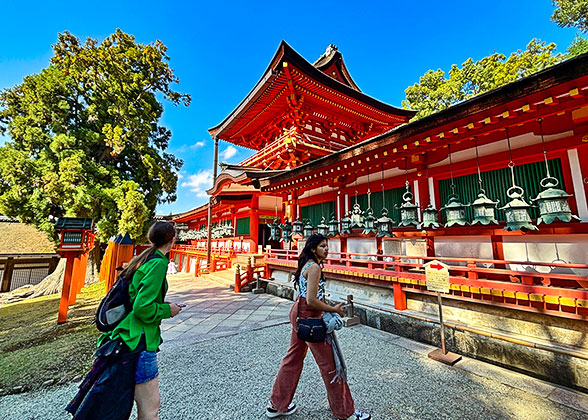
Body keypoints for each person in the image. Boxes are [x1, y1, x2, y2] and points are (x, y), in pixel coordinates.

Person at [69, 221, 184, 420]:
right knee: (151, 407)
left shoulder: (144, 259)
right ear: (172, 239)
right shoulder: (158, 263)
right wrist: (168, 309)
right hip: (138, 339)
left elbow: (137, 298)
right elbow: (142, 308)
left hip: (127, 333)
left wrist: (161, 302)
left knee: (138, 402)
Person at [266, 233, 371, 420]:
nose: (326, 249)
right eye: (322, 246)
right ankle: (345, 411)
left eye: (327, 246)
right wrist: (334, 310)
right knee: (331, 365)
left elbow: (308, 296)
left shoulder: (306, 264)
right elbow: (313, 301)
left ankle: (277, 404)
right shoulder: (314, 268)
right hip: (310, 318)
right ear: (313, 248)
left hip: (299, 314)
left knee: (292, 359)